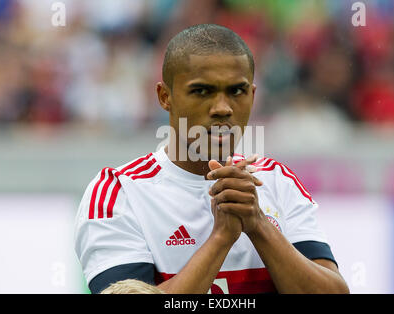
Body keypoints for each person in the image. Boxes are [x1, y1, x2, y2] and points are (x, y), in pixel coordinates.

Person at [74, 24, 349, 294]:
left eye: (236, 91)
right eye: (202, 91)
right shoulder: (118, 193)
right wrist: (221, 238)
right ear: (164, 97)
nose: (222, 108)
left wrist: (258, 224)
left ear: (253, 96)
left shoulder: (279, 181)